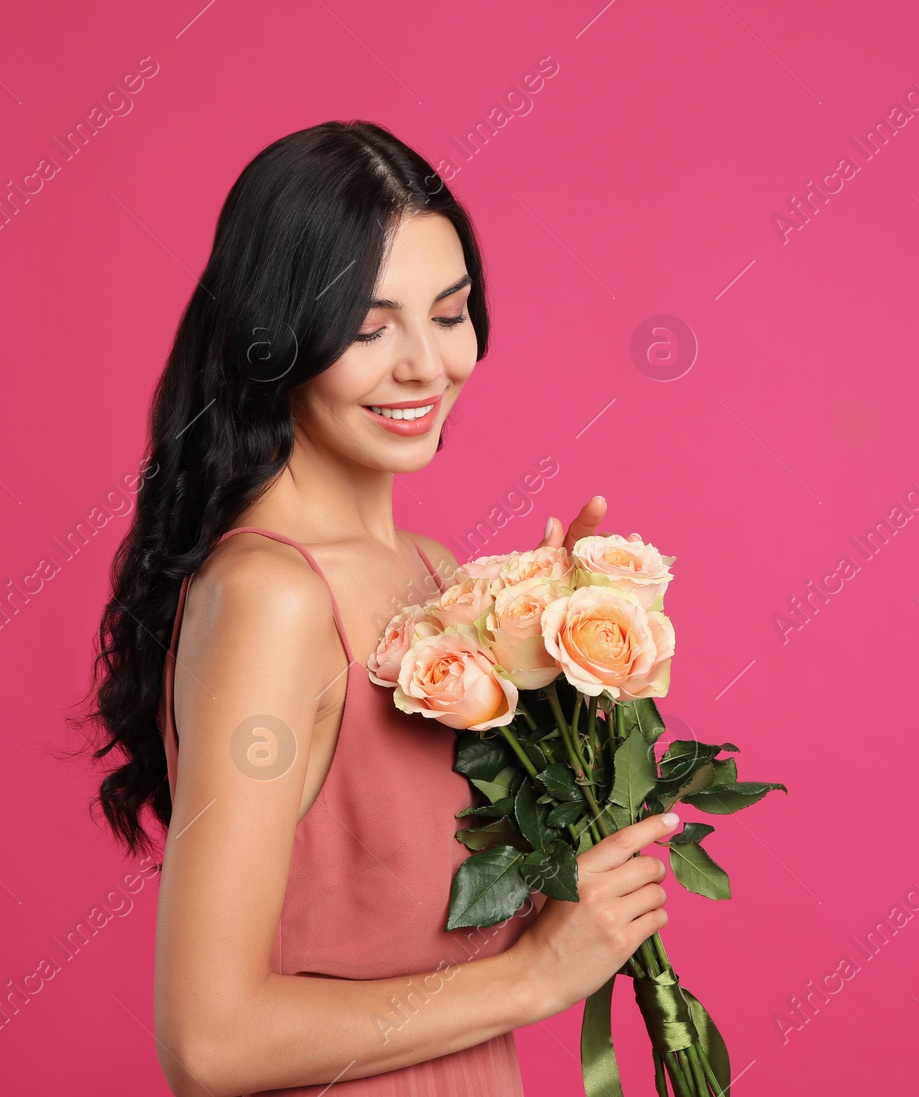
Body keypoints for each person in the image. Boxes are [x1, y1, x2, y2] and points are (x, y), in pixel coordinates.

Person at [78, 120, 677, 1097]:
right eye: (366, 327)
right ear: (276, 339)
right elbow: (209, 1040)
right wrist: (534, 976)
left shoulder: (437, 574)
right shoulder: (274, 598)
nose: (424, 365)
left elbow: (435, 919)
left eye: (449, 313)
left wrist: (576, 712)